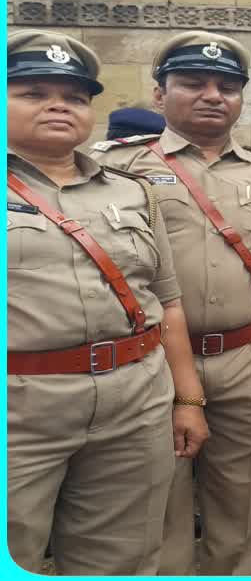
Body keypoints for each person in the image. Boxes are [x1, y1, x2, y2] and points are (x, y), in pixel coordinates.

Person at [89, 30, 251, 575]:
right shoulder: (112, 167)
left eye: (227, 86)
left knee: (243, 499)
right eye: (193, 82)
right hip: (154, 361)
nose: (213, 95)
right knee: (158, 500)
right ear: (159, 95)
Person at [7, 30, 209, 574]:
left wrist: (187, 399)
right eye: (32, 92)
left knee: (122, 556)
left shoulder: (130, 190)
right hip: (21, 406)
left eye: (74, 96)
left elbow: (166, 300)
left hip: (134, 397)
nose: (59, 105)